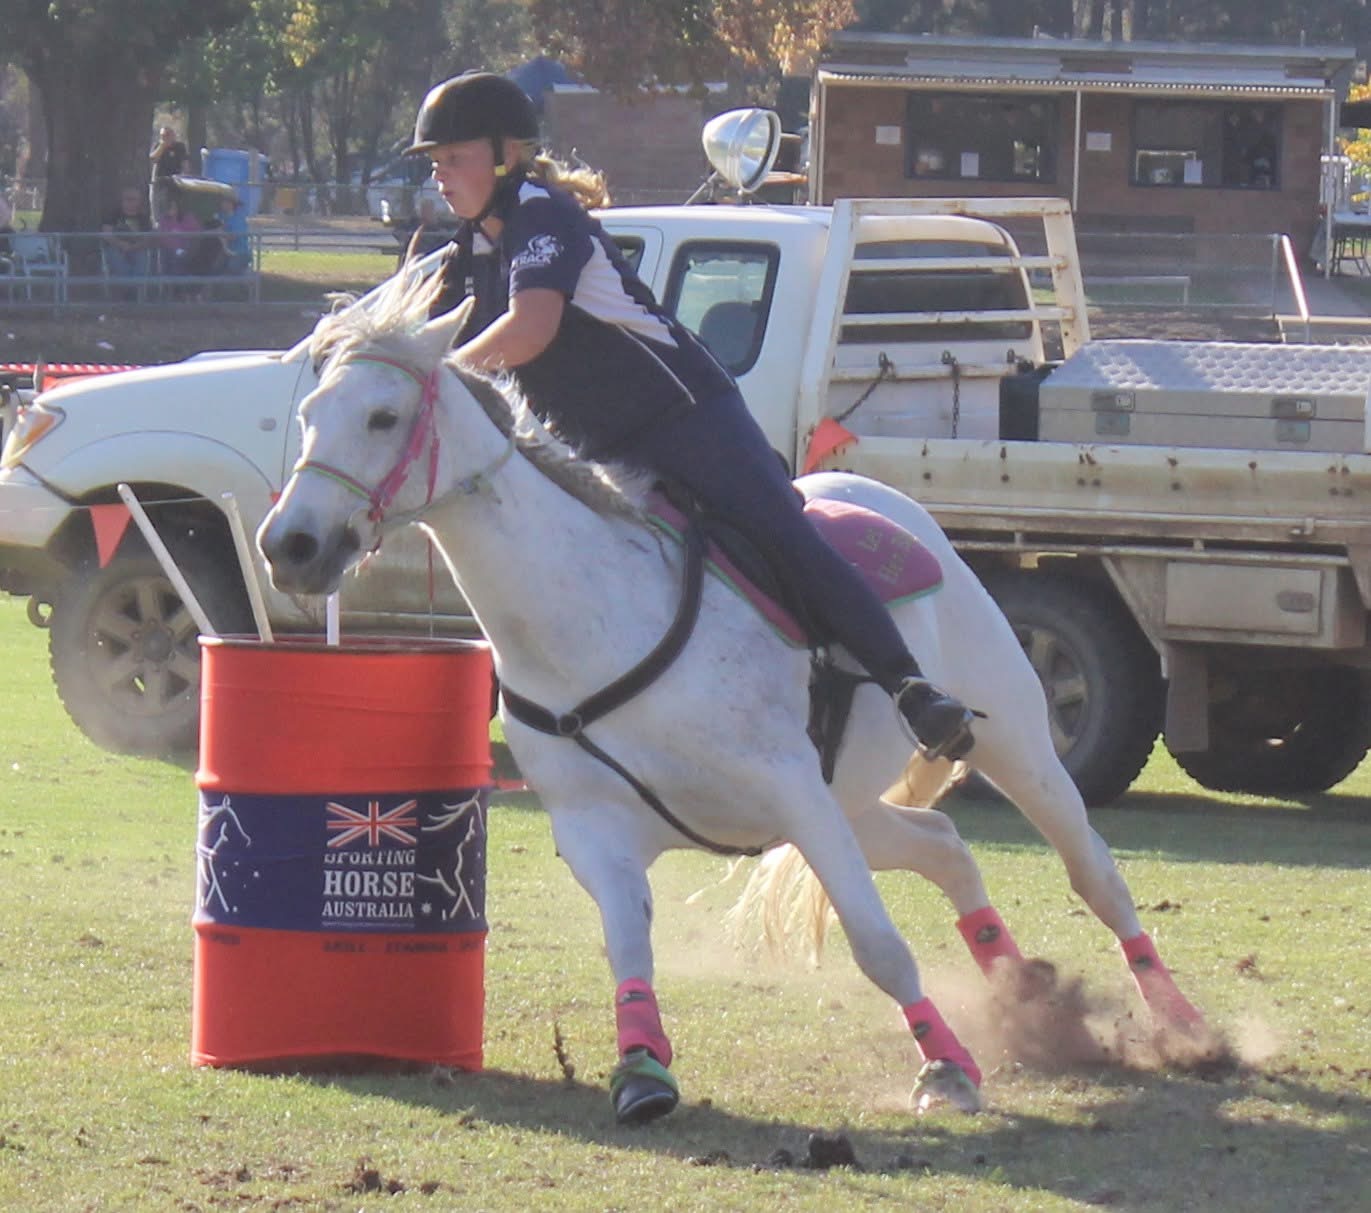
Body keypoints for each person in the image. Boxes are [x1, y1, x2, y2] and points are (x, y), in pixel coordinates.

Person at [412, 72, 975, 760]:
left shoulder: (542, 214)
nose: (441, 176)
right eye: (435, 163)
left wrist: (431, 378)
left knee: (778, 530)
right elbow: (414, 333)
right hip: (592, 446)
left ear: (507, 155)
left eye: (454, 158)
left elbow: (529, 329)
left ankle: (909, 688)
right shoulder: (468, 248)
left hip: (681, 419)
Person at [100, 187, 153, 294]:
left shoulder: (144, 217)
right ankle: (128, 291)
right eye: (128, 199)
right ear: (122, 200)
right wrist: (120, 244)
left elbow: (148, 239)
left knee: (142, 257)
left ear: (139, 201)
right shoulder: (113, 214)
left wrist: (134, 247)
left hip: (137, 248)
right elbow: (106, 234)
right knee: (115, 257)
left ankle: (134, 292)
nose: (131, 202)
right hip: (116, 247)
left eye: (134, 199)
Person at [149, 125, 188, 223]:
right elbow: (153, 159)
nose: (166, 138)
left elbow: (185, 163)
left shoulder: (180, 147)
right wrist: (162, 146)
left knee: (174, 208)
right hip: (159, 182)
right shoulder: (158, 146)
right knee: (158, 210)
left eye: (168, 135)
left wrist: (185, 175)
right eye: (163, 136)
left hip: (175, 183)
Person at [156, 193, 201, 275]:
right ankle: (166, 284)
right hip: (168, 250)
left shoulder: (188, 217)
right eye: (169, 207)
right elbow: (162, 235)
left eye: (173, 207)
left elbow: (197, 232)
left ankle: (180, 284)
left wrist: (182, 234)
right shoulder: (163, 219)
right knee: (164, 259)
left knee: (178, 264)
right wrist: (175, 247)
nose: (171, 209)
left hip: (185, 249)